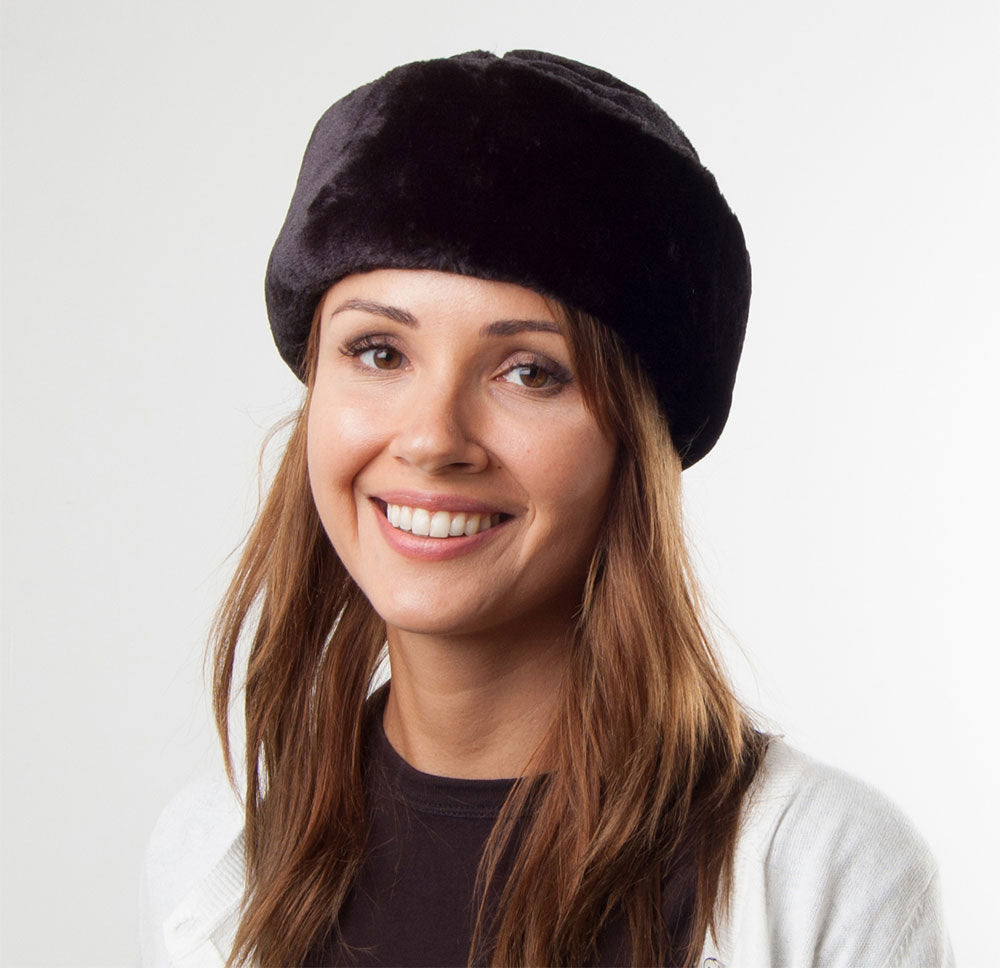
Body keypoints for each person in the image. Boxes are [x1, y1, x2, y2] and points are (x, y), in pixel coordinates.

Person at [139, 50, 953, 967]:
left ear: (635, 444)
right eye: (379, 352)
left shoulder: (820, 872)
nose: (432, 439)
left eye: (530, 371)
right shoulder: (213, 859)